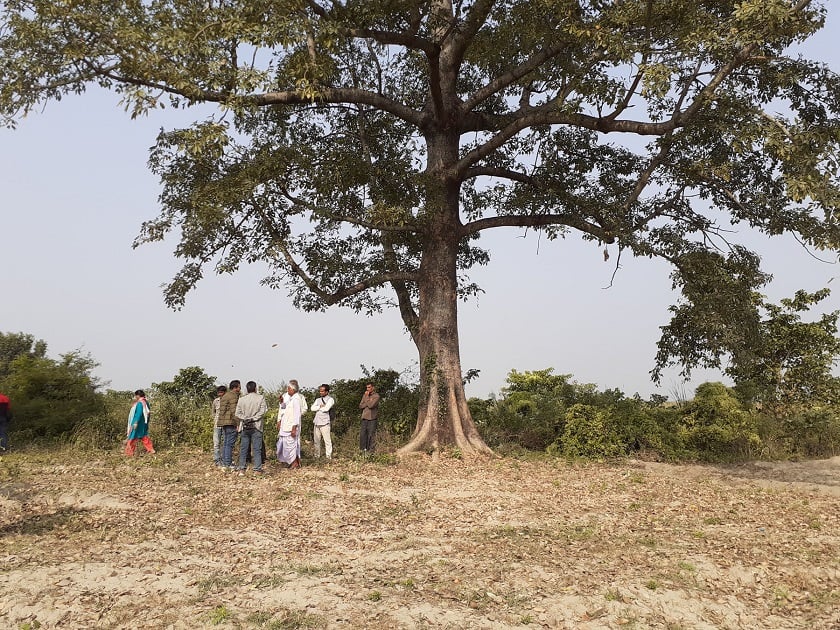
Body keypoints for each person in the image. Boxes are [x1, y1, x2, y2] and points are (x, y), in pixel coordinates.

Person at [235, 381, 268, 475]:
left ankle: (242, 469)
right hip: (256, 426)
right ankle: (257, 469)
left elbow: (237, 413)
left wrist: (245, 418)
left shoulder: (242, 399)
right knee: (257, 449)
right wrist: (253, 418)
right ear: (255, 388)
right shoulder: (260, 398)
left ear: (247, 388)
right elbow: (262, 411)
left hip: (245, 426)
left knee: (243, 448)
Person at [276, 379, 306, 469]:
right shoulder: (290, 398)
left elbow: (297, 414)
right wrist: (281, 402)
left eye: (288, 389)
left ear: (293, 390)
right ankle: (290, 462)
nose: (287, 390)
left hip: (291, 426)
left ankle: (295, 463)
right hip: (286, 425)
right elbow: (284, 408)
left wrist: (294, 427)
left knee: (291, 445)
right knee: (284, 444)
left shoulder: (297, 399)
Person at [217, 380, 241, 470]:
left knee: (226, 443)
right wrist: (238, 423)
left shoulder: (226, 395)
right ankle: (228, 463)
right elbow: (234, 411)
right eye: (239, 387)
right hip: (231, 422)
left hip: (224, 422)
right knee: (230, 443)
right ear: (235, 388)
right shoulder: (233, 396)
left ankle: (225, 461)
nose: (240, 389)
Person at [125, 390, 156, 455]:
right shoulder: (146, 402)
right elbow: (148, 413)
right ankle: (151, 450)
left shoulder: (139, 403)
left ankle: (129, 452)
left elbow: (138, 414)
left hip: (137, 423)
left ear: (138, 395)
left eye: (136, 396)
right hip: (143, 423)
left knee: (132, 437)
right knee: (144, 436)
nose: (135, 397)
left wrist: (135, 422)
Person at [310, 383, 335, 460]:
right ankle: (317, 456)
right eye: (320, 391)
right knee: (316, 440)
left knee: (327, 440)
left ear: (327, 392)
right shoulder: (317, 400)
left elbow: (326, 409)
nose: (321, 392)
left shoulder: (330, 399)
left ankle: (328, 457)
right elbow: (312, 408)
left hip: (325, 422)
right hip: (317, 422)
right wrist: (320, 406)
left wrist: (318, 408)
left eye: (322, 391)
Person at [358, 382, 380, 454]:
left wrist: (367, 399)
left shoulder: (376, 396)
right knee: (362, 435)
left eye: (369, 387)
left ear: (373, 388)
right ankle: (362, 451)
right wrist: (368, 402)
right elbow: (360, 406)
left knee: (371, 435)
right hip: (364, 417)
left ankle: (371, 452)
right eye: (367, 387)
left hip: (372, 418)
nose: (368, 389)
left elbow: (371, 405)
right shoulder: (365, 395)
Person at [211, 385, 227, 466]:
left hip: (225, 425)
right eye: (219, 392)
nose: (220, 394)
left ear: (225, 393)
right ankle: (217, 459)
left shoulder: (228, 401)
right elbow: (213, 412)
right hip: (217, 425)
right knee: (216, 443)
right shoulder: (215, 401)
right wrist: (215, 419)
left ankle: (224, 459)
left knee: (225, 443)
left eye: (221, 392)